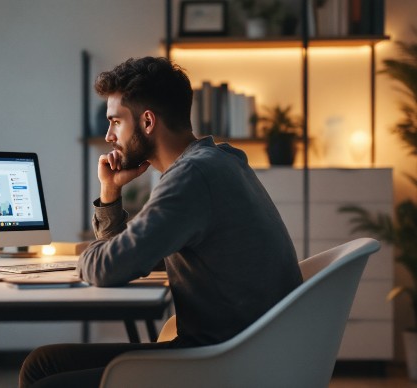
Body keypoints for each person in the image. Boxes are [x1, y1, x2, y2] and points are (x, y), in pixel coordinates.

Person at [18, 57, 302, 388]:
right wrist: (110, 192)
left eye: (115, 122)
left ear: (148, 122)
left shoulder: (192, 176)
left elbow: (107, 267)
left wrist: (81, 255)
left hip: (225, 363)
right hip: (249, 351)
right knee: (43, 363)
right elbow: (139, 256)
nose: (109, 136)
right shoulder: (219, 160)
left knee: (44, 380)